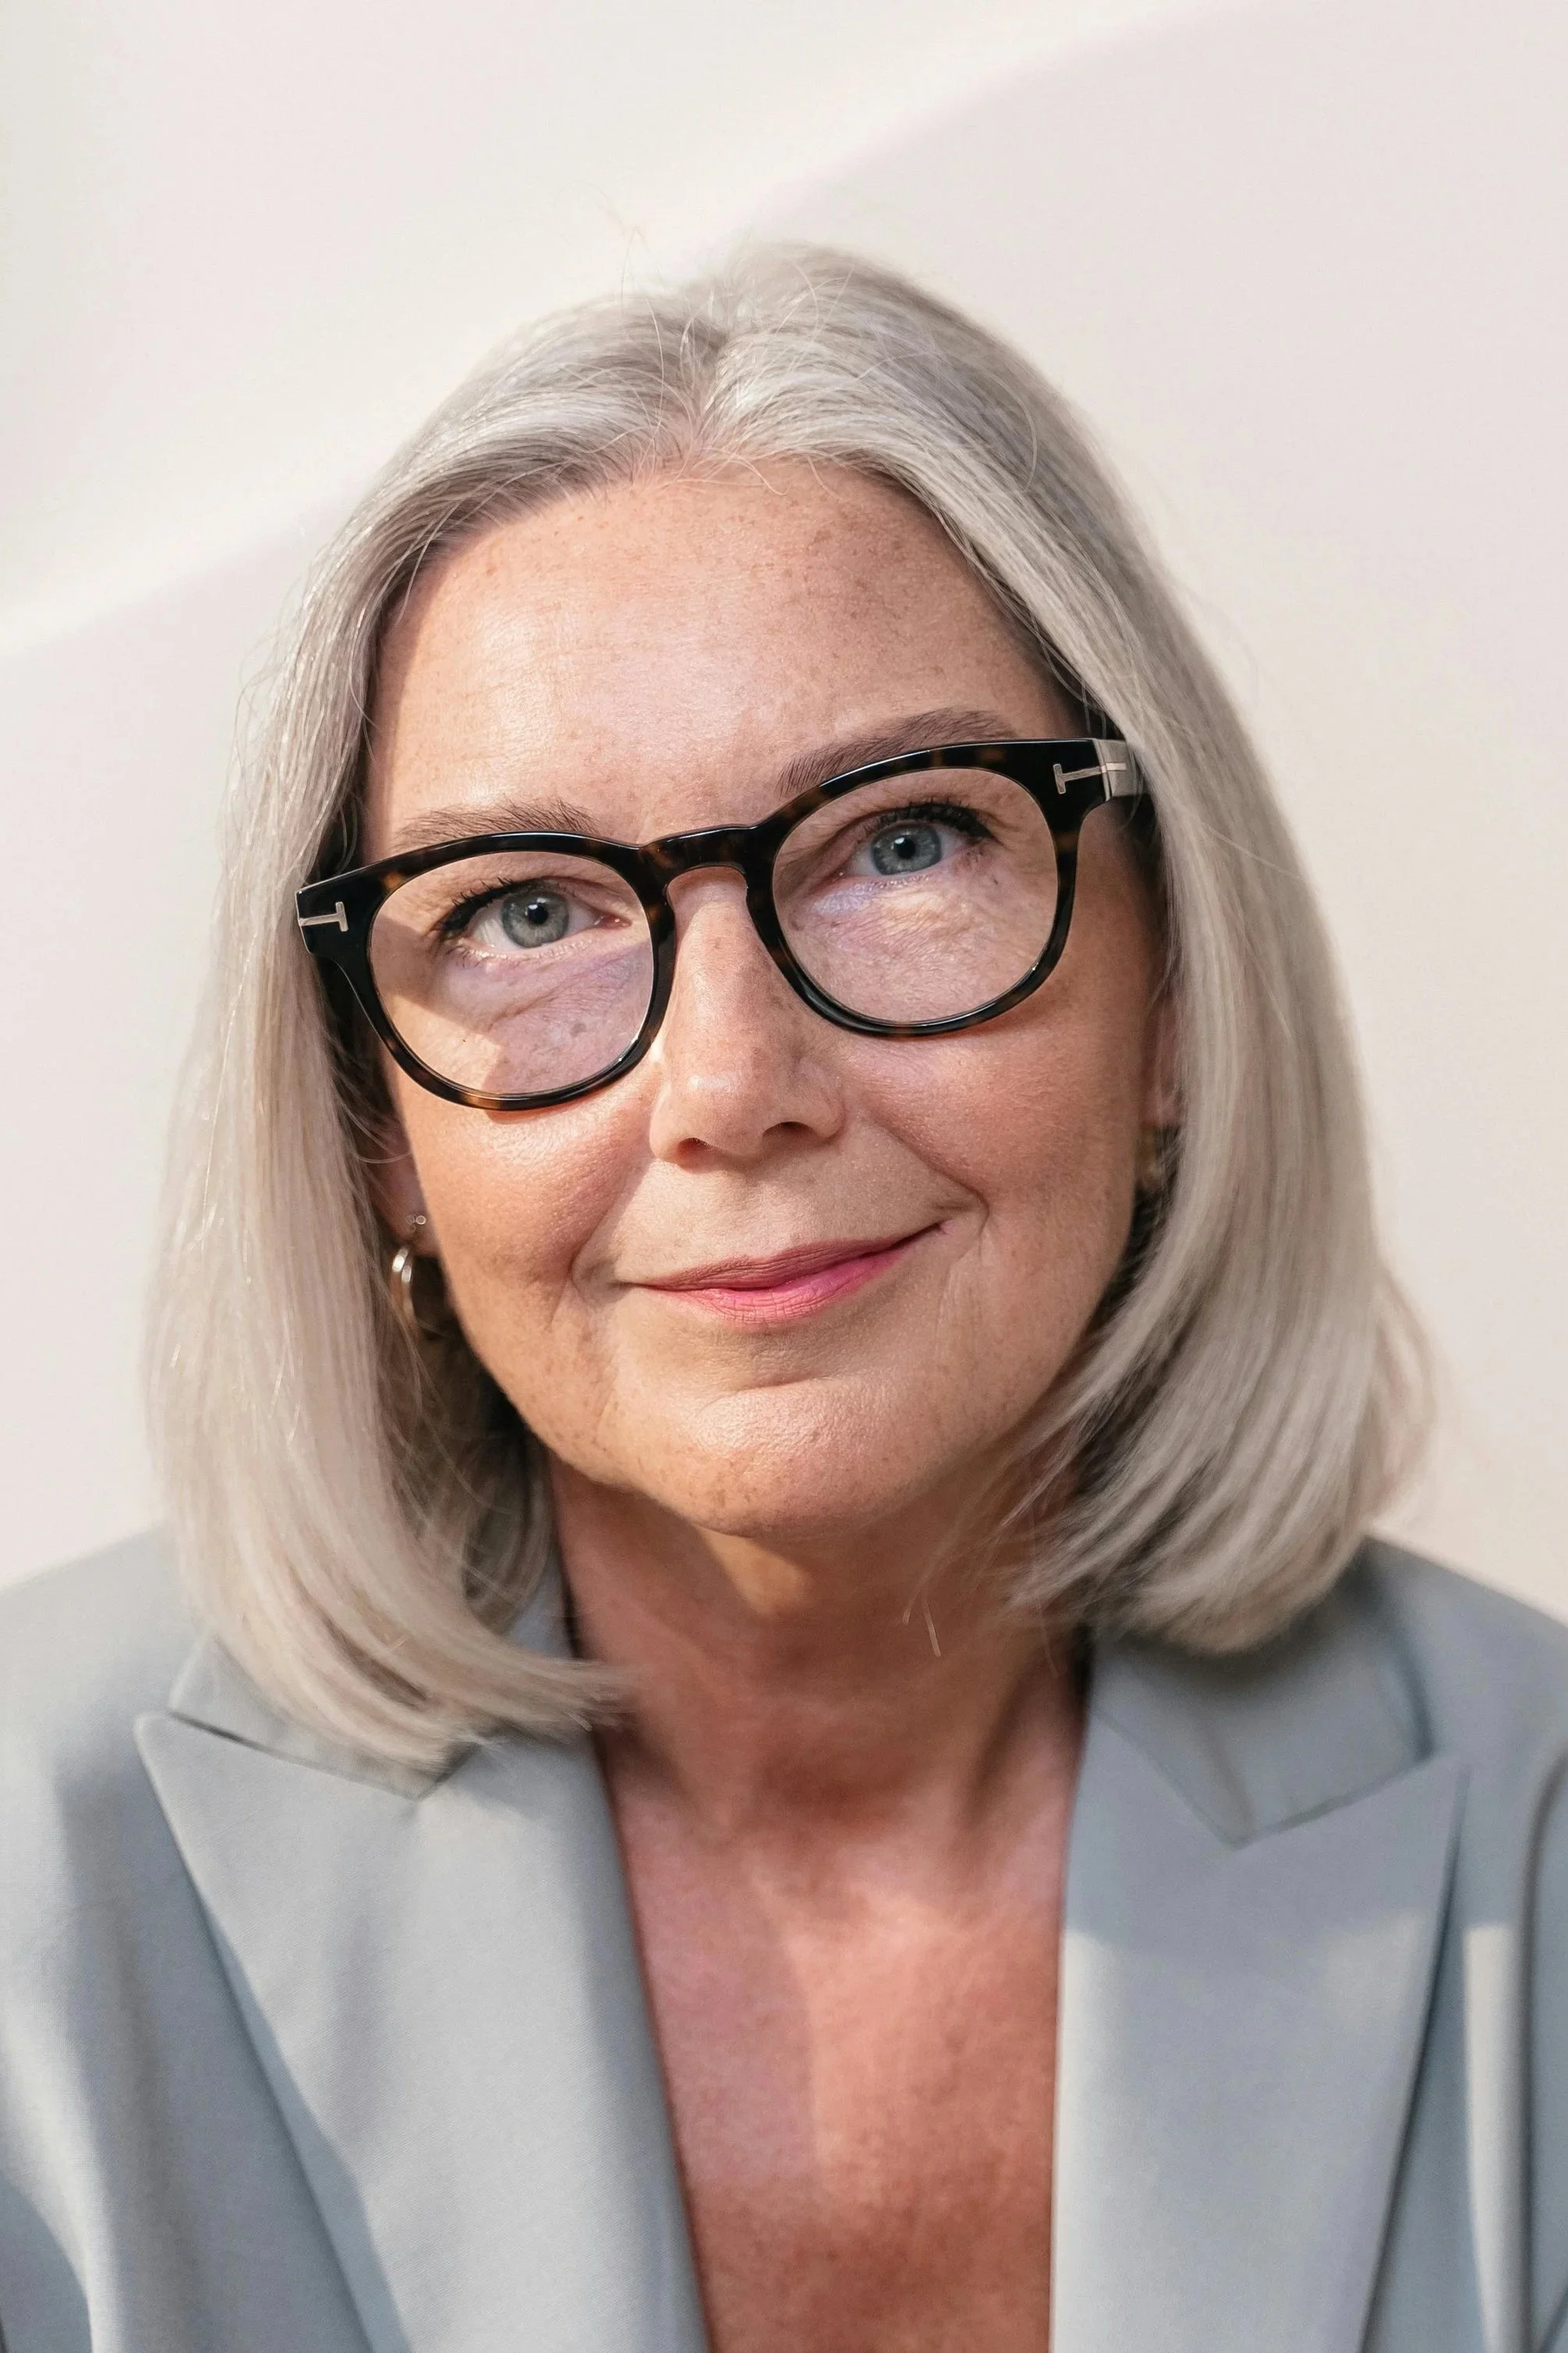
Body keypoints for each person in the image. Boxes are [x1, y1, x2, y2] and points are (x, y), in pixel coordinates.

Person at [2, 246, 1565, 2353]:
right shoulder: (28, 1875)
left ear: (1173, 992)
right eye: (526, 909)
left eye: (906, 846)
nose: (733, 1086)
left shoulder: (1537, 1832)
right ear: (376, 1116)